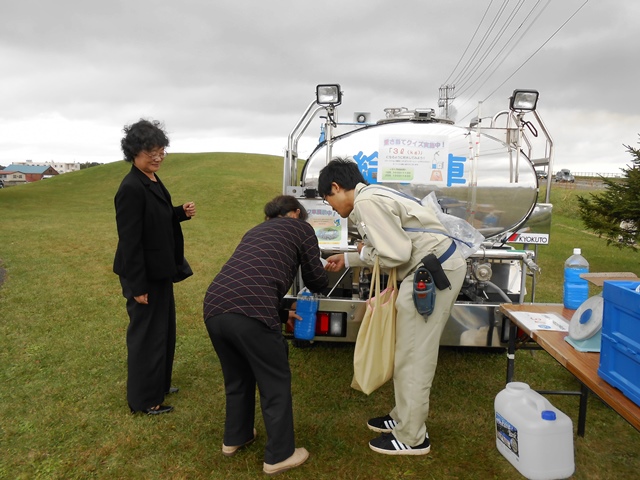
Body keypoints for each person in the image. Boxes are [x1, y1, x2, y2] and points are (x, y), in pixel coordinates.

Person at [318, 158, 466, 456]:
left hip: (429, 274)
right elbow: (397, 245)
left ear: (336, 187)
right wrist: (349, 258)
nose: (331, 207)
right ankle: (401, 417)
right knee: (406, 349)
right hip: (432, 267)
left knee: (414, 355)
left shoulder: (366, 203)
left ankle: (412, 437)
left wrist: (363, 250)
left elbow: (396, 254)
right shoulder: (374, 194)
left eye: (328, 199)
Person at [203, 195, 328, 475]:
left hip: (215, 306)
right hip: (252, 310)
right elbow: (315, 279)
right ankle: (280, 455)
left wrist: (284, 312)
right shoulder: (301, 228)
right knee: (274, 381)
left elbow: (253, 278)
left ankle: (236, 437)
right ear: (296, 213)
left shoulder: (254, 231)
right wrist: (327, 269)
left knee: (237, 378)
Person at [113, 119, 196, 415]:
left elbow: (157, 219)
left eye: (162, 152)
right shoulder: (130, 188)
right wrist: (137, 286)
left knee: (163, 330)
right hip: (143, 275)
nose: (158, 158)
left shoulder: (151, 179)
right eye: (152, 153)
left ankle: (159, 384)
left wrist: (179, 214)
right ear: (134, 152)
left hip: (160, 270)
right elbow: (131, 241)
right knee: (146, 336)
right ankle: (144, 400)